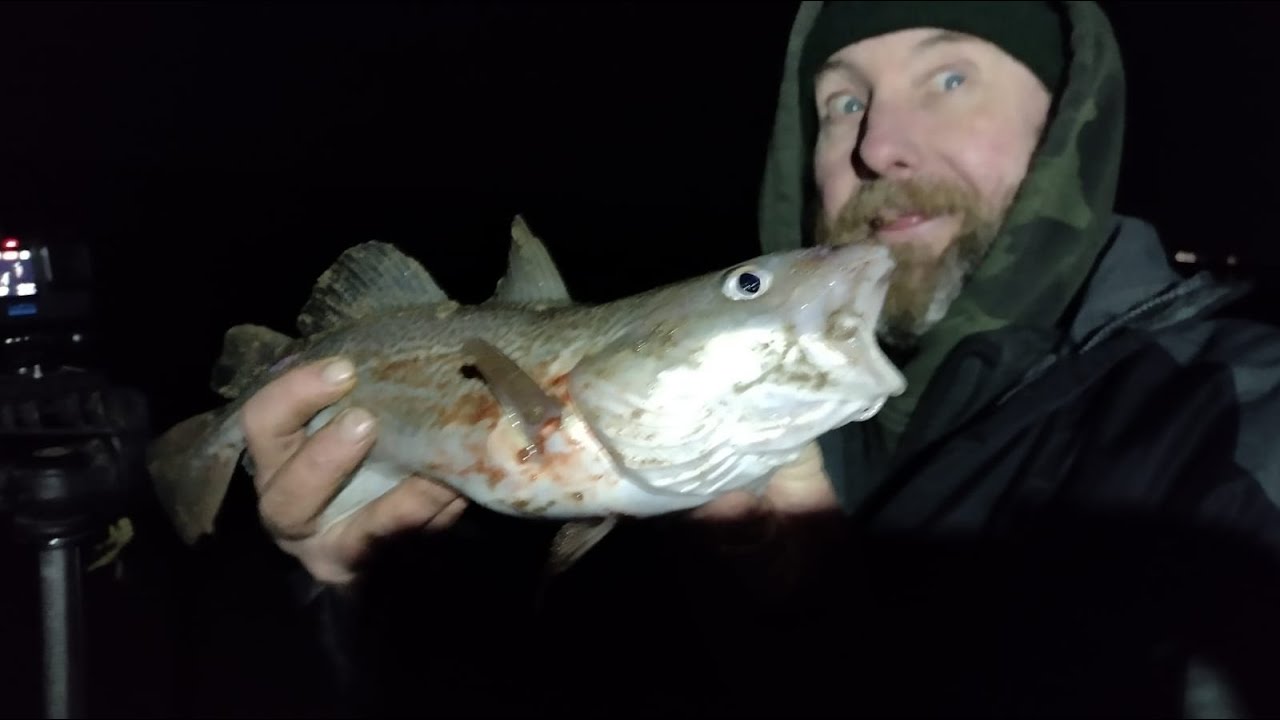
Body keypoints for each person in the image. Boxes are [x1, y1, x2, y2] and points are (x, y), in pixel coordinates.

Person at [227, 0, 1280, 715]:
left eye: (949, 77)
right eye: (841, 102)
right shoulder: (742, 435)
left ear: (1071, 123)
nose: (876, 145)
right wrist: (363, 600)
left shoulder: (1234, 424)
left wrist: (839, 646)